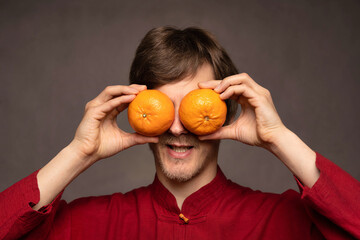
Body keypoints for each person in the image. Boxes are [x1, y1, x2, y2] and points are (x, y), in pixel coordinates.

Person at [0, 26, 359, 240]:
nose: (175, 127)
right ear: (138, 111)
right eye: (164, 107)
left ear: (225, 110)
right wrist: (78, 153)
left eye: (193, 107)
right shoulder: (93, 222)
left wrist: (280, 138)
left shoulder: (280, 220)